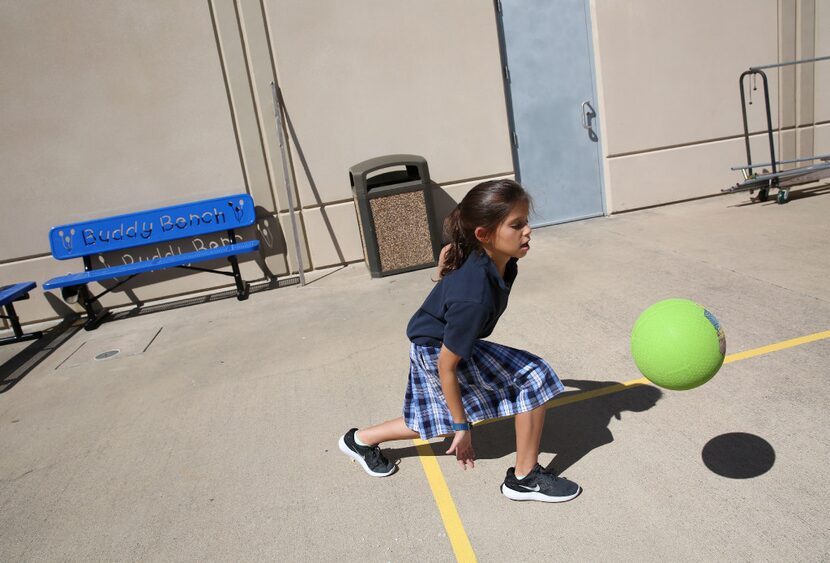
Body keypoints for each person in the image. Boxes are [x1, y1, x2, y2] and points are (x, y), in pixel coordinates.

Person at [339, 179, 580, 503]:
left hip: (439, 341)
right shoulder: (474, 295)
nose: (528, 231)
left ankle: (360, 440)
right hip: (437, 350)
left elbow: (450, 257)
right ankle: (524, 478)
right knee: (533, 377)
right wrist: (462, 426)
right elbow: (446, 366)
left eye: (526, 222)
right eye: (517, 224)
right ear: (484, 234)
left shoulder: (489, 256)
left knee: (436, 418)